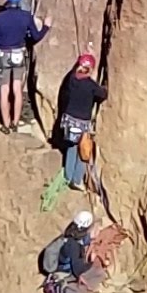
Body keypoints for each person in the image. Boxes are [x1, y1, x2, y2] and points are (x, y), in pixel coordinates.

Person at [0, 0, 45, 131]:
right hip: (19, 53)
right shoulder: (26, 17)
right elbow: (36, 36)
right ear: (19, 0)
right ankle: (15, 122)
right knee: (17, 89)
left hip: (3, 54)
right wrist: (46, 27)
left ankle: (5, 125)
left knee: (4, 90)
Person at [52, 45, 102, 188]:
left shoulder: (72, 80)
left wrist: (83, 59)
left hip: (69, 120)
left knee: (71, 146)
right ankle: (76, 179)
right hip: (82, 122)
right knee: (82, 149)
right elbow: (102, 94)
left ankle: (68, 175)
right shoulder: (91, 85)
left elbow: (73, 72)